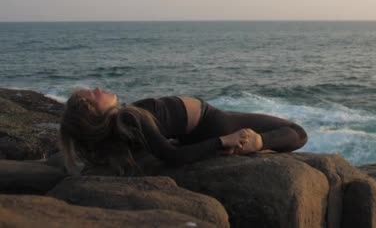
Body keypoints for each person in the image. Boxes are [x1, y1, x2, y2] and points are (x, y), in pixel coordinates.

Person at [60, 87, 308, 175]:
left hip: (196, 130)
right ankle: (258, 142)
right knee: (297, 131)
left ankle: (256, 141)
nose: (97, 88)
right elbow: (173, 156)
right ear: (94, 113)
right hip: (213, 123)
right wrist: (224, 141)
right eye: (93, 95)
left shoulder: (120, 127)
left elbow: (160, 147)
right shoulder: (128, 117)